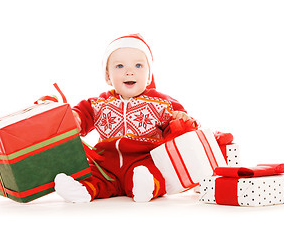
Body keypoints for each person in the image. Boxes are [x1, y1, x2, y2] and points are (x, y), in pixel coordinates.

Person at [54, 34, 199, 203]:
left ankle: (146, 186)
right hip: (106, 163)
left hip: (143, 159)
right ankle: (81, 190)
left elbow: (179, 131)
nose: (129, 71)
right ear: (108, 76)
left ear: (149, 75)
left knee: (153, 171)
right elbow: (83, 113)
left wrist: (180, 121)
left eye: (138, 65)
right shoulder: (100, 103)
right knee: (93, 175)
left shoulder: (160, 102)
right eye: (120, 66)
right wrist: (75, 118)